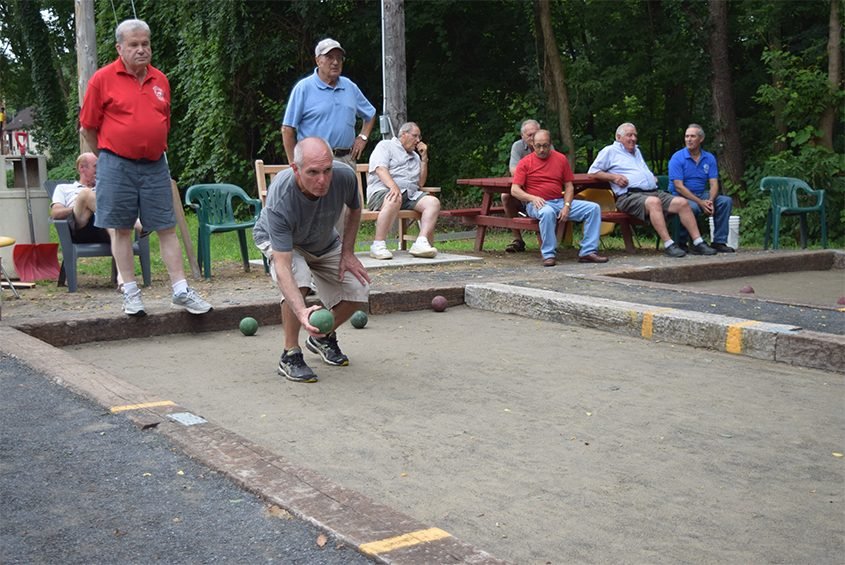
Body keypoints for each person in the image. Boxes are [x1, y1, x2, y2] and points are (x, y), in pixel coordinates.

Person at [79, 19, 211, 317]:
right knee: (122, 229)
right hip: (115, 163)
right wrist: (109, 157)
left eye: (145, 44)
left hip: (154, 164)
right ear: (120, 48)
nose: (142, 50)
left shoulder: (160, 80)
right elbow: (87, 127)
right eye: (134, 45)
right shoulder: (102, 79)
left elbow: (164, 121)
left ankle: (180, 290)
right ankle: (130, 292)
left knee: (166, 227)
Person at [253, 137, 370, 383]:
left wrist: (347, 252)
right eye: (313, 172)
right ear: (295, 169)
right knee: (300, 277)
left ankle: (321, 337)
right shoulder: (281, 195)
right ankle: (290, 354)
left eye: (327, 170)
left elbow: (355, 208)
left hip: (323, 240)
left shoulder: (344, 176)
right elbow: (284, 265)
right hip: (283, 244)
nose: (322, 180)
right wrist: (302, 311)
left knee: (359, 287)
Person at [588, 122, 716, 258]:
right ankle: (669, 244)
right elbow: (593, 172)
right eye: (629, 135)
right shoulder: (610, 151)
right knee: (654, 202)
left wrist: (649, 177)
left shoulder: (636, 151)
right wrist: (613, 177)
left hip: (651, 192)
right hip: (629, 195)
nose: (633, 138)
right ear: (619, 137)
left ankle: (698, 242)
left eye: (635, 135)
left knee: (682, 203)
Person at [510, 130, 608, 267]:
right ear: (532, 144)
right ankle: (548, 254)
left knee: (593, 208)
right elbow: (514, 190)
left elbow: (569, 186)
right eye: (538, 146)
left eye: (545, 145)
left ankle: (588, 251)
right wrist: (532, 198)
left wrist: (567, 205)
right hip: (537, 204)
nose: (542, 149)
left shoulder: (560, 159)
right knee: (547, 212)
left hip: (558, 201)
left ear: (550, 144)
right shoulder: (525, 162)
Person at [281, 38, 376, 168]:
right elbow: (287, 129)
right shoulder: (304, 88)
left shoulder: (349, 87)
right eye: (329, 57)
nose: (335, 62)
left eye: (339, 58)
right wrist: (294, 165)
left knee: (346, 189)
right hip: (313, 162)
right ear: (318, 61)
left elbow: (370, 114)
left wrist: (363, 137)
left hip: (345, 160)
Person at [366, 122, 440, 260]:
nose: (418, 141)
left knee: (433, 202)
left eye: (419, 137)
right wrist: (394, 187)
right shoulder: (385, 146)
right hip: (382, 193)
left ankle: (421, 242)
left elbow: (420, 183)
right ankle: (378, 245)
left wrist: (424, 159)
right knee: (395, 197)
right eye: (415, 136)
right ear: (403, 134)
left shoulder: (415, 156)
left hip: (408, 196)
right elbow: (380, 169)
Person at [668, 124, 734, 253]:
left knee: (725, 201)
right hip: (680, 196)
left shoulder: (708, 158)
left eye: (692, 136)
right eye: (687, 136)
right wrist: (700, 203)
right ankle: (686, 242)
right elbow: (679, 187)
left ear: (701, 139)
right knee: (691, 207)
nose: (689, 139)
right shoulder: (677, 157)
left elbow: (714, 183)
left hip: (701, 194)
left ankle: (719, 242)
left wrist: (709, 201)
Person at [49, 153, 110, 245]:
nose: (99, 170)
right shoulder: (63, 188)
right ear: (82, 168)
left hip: (105, 229)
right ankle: (136, 224)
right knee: (85, 193)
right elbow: (55, 213)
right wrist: (81, 205)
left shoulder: (104, 187)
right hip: (81, 230)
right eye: (95, 166)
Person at [503, 119, 541, 253]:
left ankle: (544, 240)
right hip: (523, 189)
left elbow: (552, 170)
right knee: (505, 196)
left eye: (535, 134)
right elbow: (513, 170)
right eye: (529, 135)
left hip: (541, 189)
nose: (533, 138)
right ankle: (517, 239)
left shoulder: (546, 145)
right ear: (522, 136)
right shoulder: (517, 147)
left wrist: (526, 173)